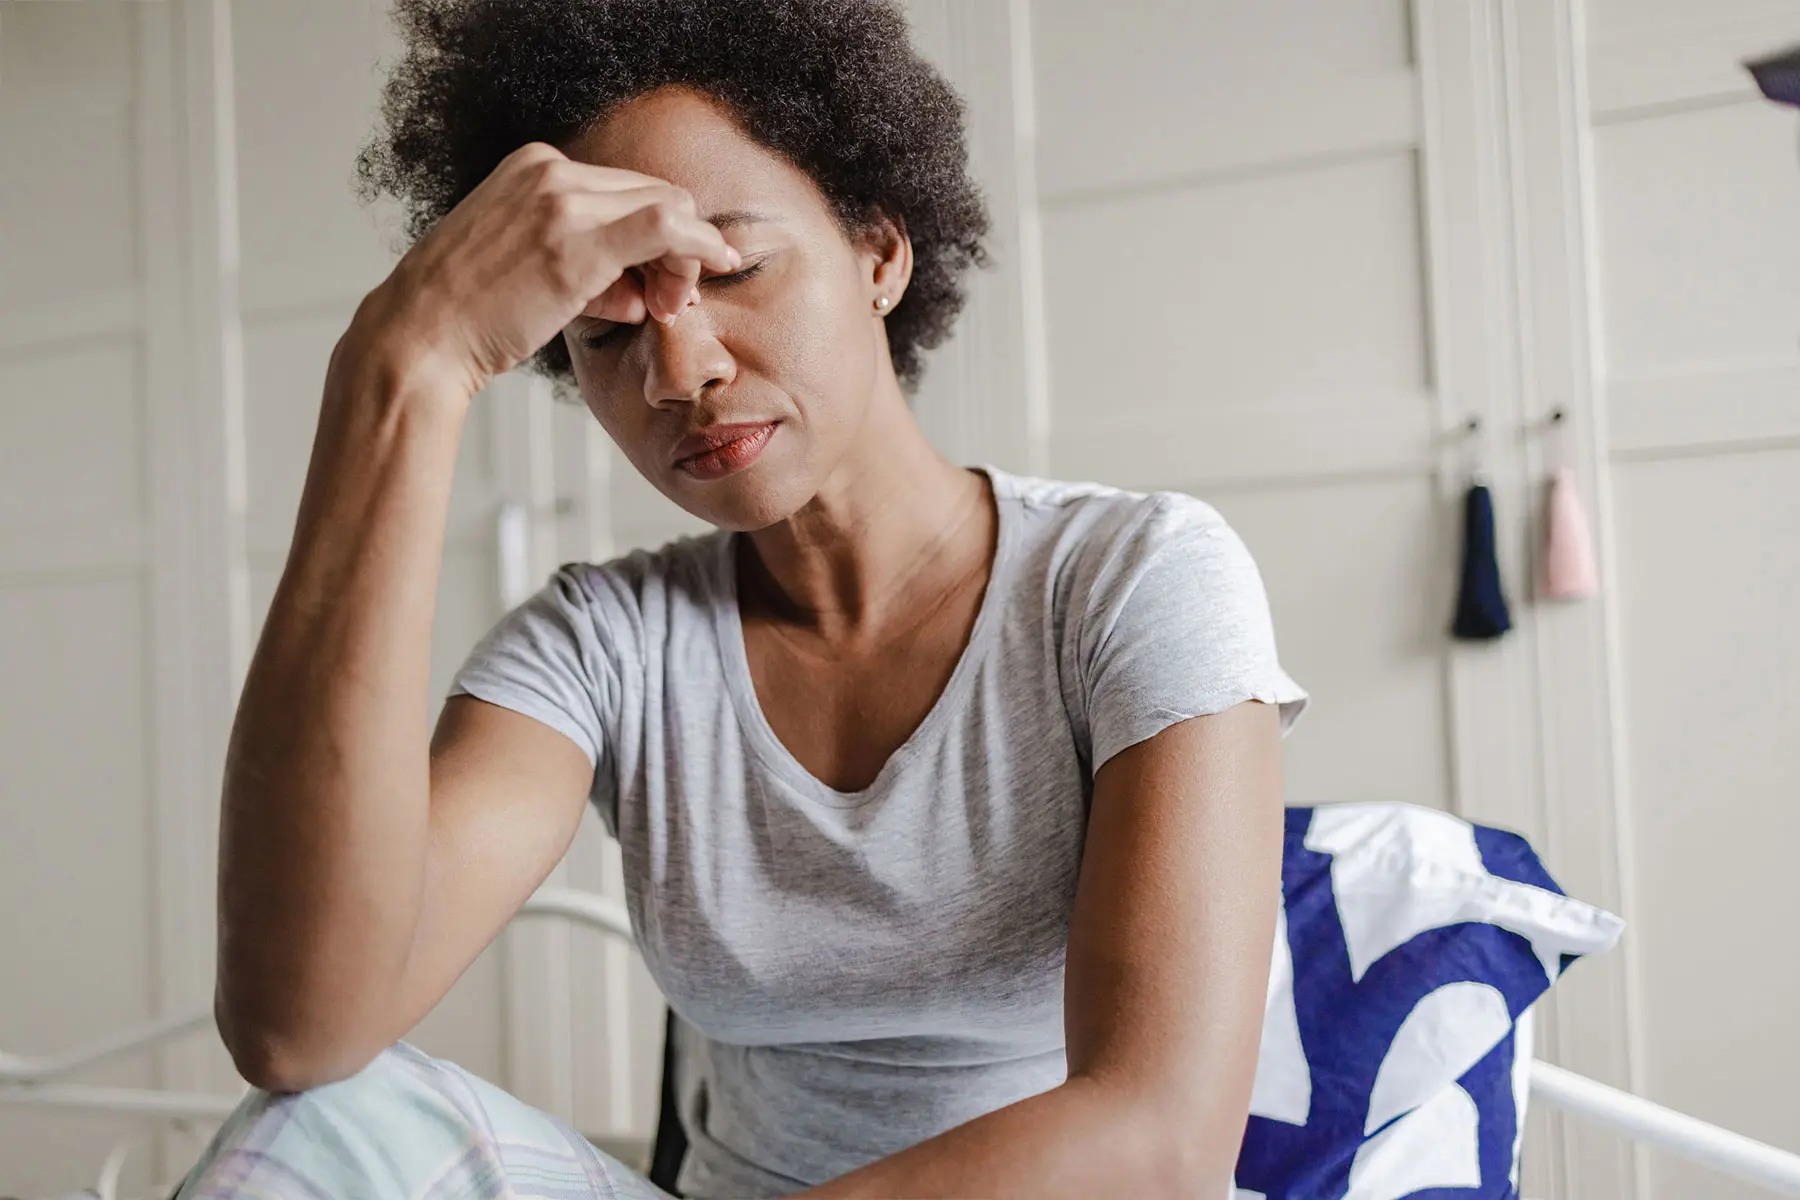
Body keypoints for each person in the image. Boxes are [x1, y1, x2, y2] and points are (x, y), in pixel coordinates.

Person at [180, 1, 1308, 1196]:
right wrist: (400, 362)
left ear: (879, 252)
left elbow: (1161, 1141)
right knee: (316, 1128)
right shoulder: (604, 646)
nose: (682, 370)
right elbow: (300, 1030)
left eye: (733, 269)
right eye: (607, 333)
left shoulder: (1132, 578)